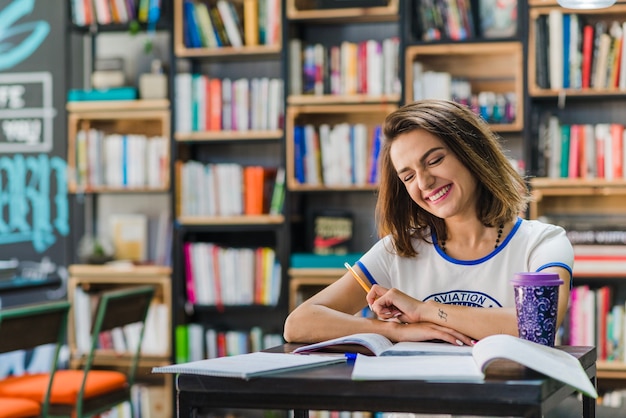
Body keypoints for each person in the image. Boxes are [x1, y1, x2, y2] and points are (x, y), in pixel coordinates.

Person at [283, 99, 573, 347]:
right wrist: (394, 331)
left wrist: (424, 310)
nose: (424, 182)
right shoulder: (398, 249)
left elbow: (538, 326)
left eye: (434, 160)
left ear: (471, 154)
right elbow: (299, 324)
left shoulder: (543, 242)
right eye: (408, 176)